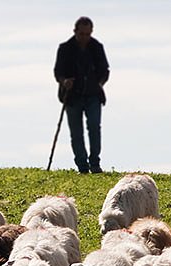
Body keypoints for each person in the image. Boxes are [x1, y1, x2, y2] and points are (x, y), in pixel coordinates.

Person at [54, 16, 110, 174]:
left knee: (94, 128)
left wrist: (99, 84)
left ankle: (95, 163)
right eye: (82, 34)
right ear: (75, 31)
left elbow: (105, 71)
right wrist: (64, 81)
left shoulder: (97, 47)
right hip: (72, 97)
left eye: (88, 34)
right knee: (76, 133)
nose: (85, 37)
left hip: (93, 96)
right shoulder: (65, 48)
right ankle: (82, 166)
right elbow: (58, 72)